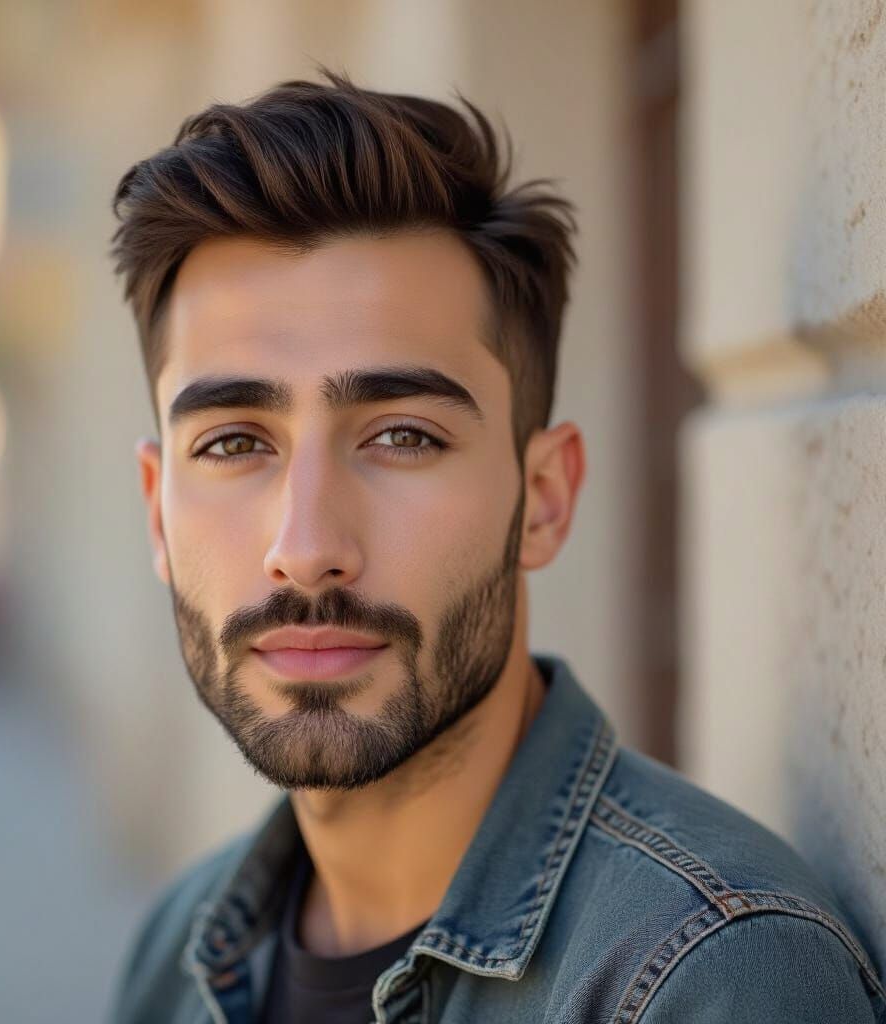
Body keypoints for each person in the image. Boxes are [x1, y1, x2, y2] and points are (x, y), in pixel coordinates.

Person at [106, 68, 884, 1024]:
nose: (305, 550)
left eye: (402, 436)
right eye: (233, 444)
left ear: (545, 499)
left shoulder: (708, 978)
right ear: (156, 512)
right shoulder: (177, 954)